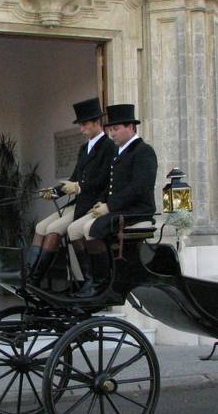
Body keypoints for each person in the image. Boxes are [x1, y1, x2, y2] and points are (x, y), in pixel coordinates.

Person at [66, 103, 158, 298]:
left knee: (92, 229)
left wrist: (109, 206)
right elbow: (109, 184)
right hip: (116, 207)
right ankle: (89, 279)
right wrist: (100, 203)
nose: (112, 134)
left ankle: (103, 283)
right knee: (74, 229)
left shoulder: (143, 151)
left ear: (131, 128)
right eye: (110, 129)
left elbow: (139, 187)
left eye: (116, 129)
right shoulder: (119, 152)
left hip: (136, 210)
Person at [25, 97, 113, 286]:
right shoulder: (84, 149)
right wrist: (54, 192)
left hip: (91, 204)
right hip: (77, 202)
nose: (81, 129)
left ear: (97, 122)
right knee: (41, 227)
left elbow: (103, 180)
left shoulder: (109, 147)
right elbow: (73, 179)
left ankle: (38, 280)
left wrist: (80, 187)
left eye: (84, 125)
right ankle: (30, 275)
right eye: (80, 125)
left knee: (54, 229)